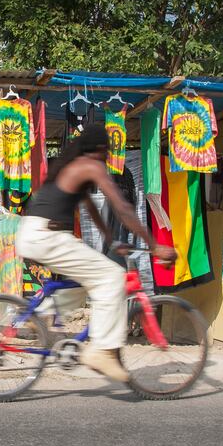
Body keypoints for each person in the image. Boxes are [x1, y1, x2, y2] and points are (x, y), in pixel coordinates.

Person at [15, 125, 177, 382]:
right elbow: (122, 208)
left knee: (86, 280)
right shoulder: (91, 165)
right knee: (112, 276)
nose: (108, 156)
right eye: (107, 151)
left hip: (34, 234)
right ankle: (101, 350)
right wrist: (155, 245)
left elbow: (90, 208)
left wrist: (112, 241)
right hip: (49, 237)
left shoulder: (73, 167)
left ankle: (42, 312)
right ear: (100, 149)